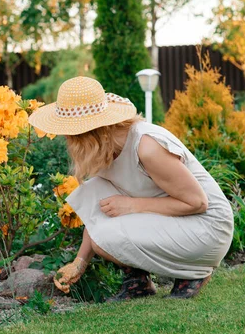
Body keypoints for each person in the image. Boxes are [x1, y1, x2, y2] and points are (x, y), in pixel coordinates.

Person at [28, 76, 234, 300]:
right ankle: (138, 283)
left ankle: (192, 274)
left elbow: (197, 202)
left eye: (69, 131)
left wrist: (132, 205)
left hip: (207, 228)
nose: (66, 137)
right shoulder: (104, 148)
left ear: (89, 131)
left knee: (105, 237)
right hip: (175, 220)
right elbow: (96, 215)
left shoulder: (147, 147)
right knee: (92, 193)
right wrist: (79, 262)